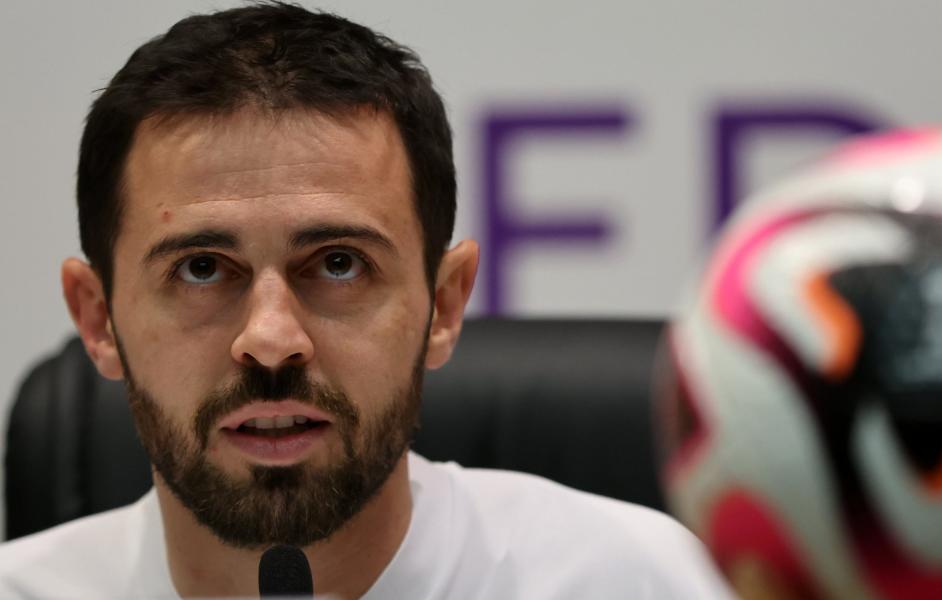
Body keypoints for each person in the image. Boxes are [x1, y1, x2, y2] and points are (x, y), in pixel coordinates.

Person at [0, 3, 732, 598]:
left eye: (339, 264)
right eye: (200, 269)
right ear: (98, 319)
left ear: (444, 305)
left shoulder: (637, 582)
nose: (272, 338)